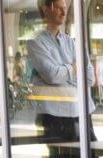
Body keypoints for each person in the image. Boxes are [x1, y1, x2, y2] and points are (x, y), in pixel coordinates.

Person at [27, 0, 95, 147]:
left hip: (82, 112)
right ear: (46, 10)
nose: (64, 12)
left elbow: (90, 78)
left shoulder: (74, 42)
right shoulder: (35, 43)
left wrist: (62, 74)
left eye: (65, 8)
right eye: (59, 8)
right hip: (54, 117)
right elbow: (52, 75)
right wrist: (74, 68)